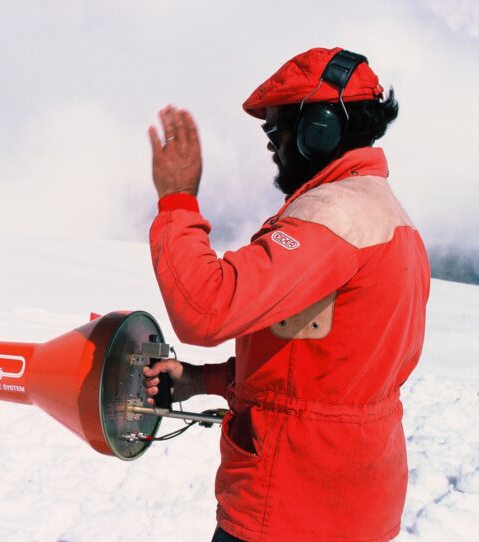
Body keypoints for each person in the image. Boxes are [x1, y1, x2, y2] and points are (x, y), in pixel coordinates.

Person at [142, 47, 429, 542]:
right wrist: (202, 379)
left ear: (320, 130)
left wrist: (177, 200)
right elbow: (322, 373)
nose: (271, 147)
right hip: (354, 506)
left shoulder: (331, 219)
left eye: (276, 131)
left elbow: (204, 311)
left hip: (290, 508)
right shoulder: (392, 220)